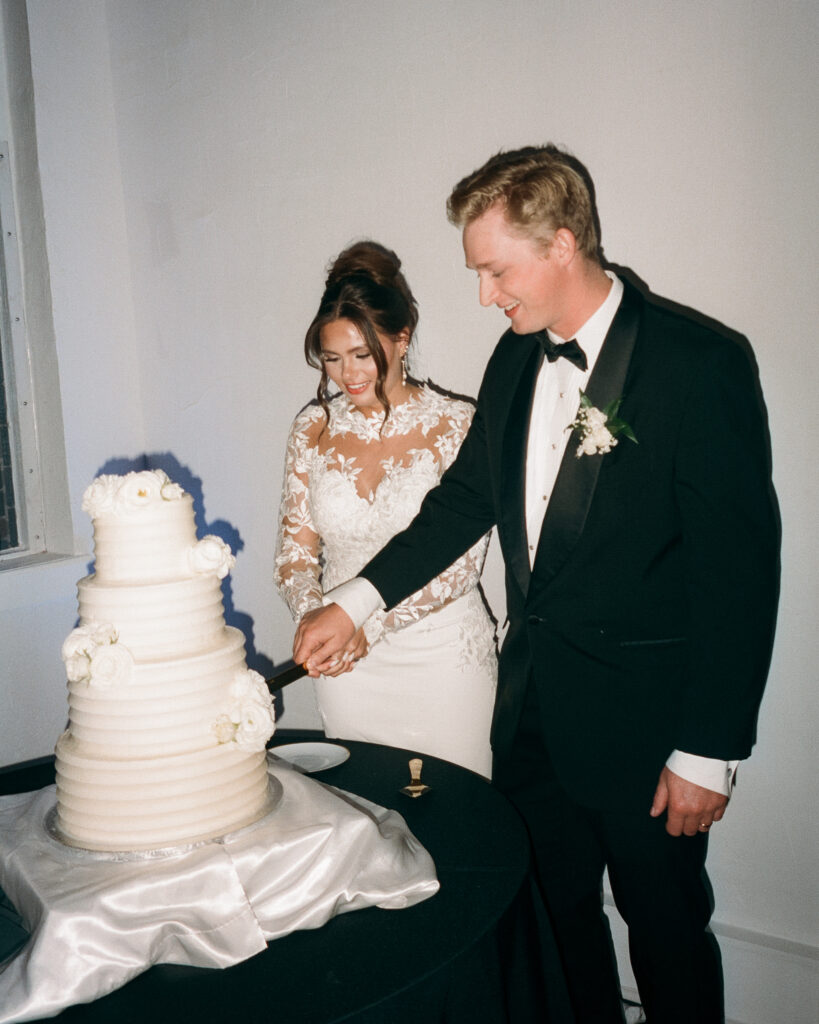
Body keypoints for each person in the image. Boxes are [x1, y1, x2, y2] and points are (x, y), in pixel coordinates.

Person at [293, 147, 779, 1022]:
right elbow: (461, 505)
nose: (485, 294)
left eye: (494, 270)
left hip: (647, 731)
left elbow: (739, 574)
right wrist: (355, 599)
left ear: (561, 245)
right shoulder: (515, 359)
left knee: (665, 934)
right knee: (554, 934)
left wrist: (709, 750)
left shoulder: (698, 363)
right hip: (529, 721)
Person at [275, 240, 497, 778]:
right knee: (372, 825)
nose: (346, 375)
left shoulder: (458, 423)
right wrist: (315, 620)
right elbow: (294, 555)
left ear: (402, 338)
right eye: (331, 358)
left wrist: (363, 628)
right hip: (349, 670)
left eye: (360, 354)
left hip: (443, 659)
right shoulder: (312, 427)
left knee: (460, 819)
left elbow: (461, 563)